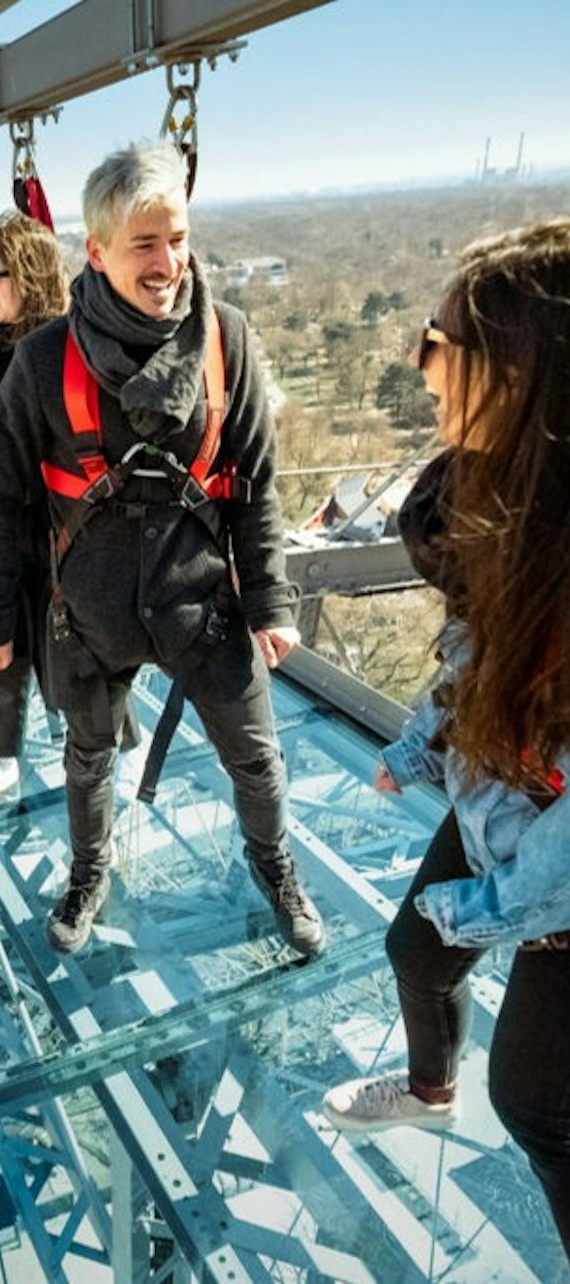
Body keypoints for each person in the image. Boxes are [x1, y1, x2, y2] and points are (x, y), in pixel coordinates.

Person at [0, 142, 326, 958]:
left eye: (179, 239)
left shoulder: (224, 341)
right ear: (96, 251)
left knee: (256, 760)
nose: (170, 263)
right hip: (92, 611)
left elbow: (255, 483)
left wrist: (268, 600)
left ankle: (276, 869)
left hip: (201, 604)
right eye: (146, 244)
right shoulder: (43, 361)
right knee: (88, 759)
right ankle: (90, 871)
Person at [322, 220, 570, 1259]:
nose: (419, 363)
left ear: (518, 372)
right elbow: (476, 665)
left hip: (552, 858)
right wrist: (422, 747)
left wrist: (499, 908)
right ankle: (430, 1091)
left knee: (541, 1105)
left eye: (438, 340)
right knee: (415, 952)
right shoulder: (515, 509)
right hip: (500, 803)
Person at [0, 212, 69, 814]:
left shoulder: (60, 355)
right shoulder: (13, 356)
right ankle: (2, 757)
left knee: (68, 661)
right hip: (19, 533)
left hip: (58, 535)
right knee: (4, 652)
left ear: (28, 275)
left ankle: (111, 750)